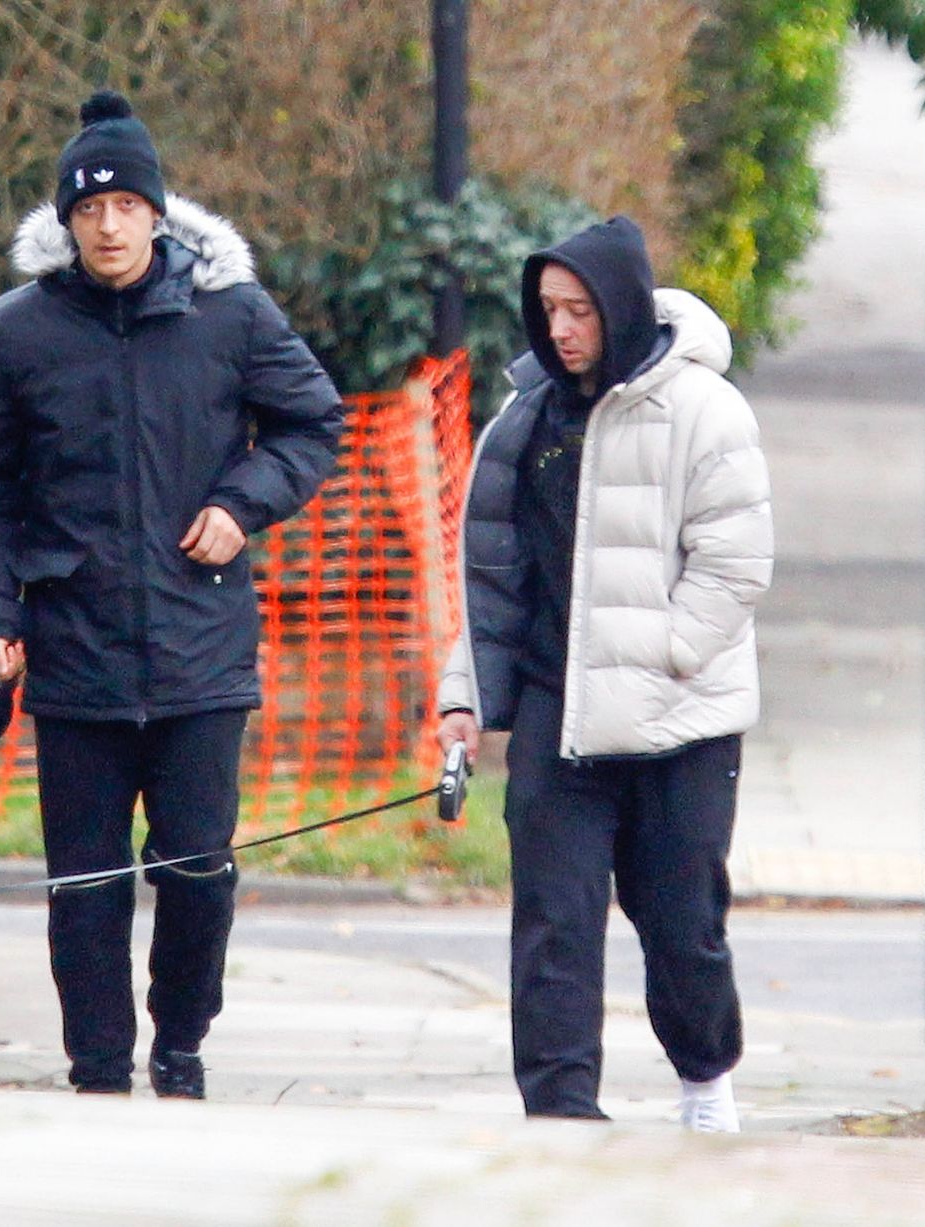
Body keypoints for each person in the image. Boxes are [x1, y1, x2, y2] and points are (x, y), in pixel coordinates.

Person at [0, 90, 344, 1098]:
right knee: (83, 887)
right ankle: (97, 1068)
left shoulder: (233, 318)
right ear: (67, 223)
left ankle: (182, 1043)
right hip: (71, 652)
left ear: (158, 213)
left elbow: (311, 426)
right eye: (89, 208)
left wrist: (242, 506)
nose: (108, 223)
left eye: (126, 204)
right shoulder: (18, 333)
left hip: (202, 652)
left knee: (197, 870)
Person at [435, 215, 773, 1132]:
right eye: (547, 311)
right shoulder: (525, 417)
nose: (561, 330)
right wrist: (464, 700)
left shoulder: (706, 411)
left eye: (578, 310)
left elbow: (734, 566)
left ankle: (705, 1076)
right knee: (553, 922)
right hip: (558, 712)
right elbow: (493, 576)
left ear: (620, 310)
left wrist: (662, 654)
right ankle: (560, 1116)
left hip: (680, 719)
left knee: (681, 928)